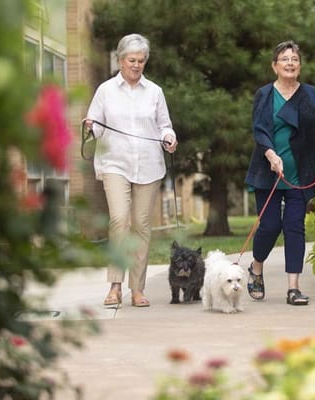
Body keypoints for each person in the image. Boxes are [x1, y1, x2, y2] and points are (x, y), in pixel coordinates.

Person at [85, 33, 178, 307]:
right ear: (120, 60)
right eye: (131, 60)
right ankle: (115, 286)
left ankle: (137, 289)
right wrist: (91, 126)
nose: (136, 65)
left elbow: (165, 125)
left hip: (149, 165)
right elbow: (97, 126)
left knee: (141, 226)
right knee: (120, 220)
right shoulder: (105, 91)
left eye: (141, 60)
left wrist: (169, 137)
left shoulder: (155, 92)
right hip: (115, 163)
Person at [244, 40, 315, 306]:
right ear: (274, 66)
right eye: (284, 59)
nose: (290, 63)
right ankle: (256, 267)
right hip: (269, 169)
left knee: (295, 227)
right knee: (269, 226)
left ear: (300, 66)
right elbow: (259, 129)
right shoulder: (265, 94)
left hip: (299, 172)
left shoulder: (311, 94)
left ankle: (293, 288)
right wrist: (270, 154)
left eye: (294, 59)